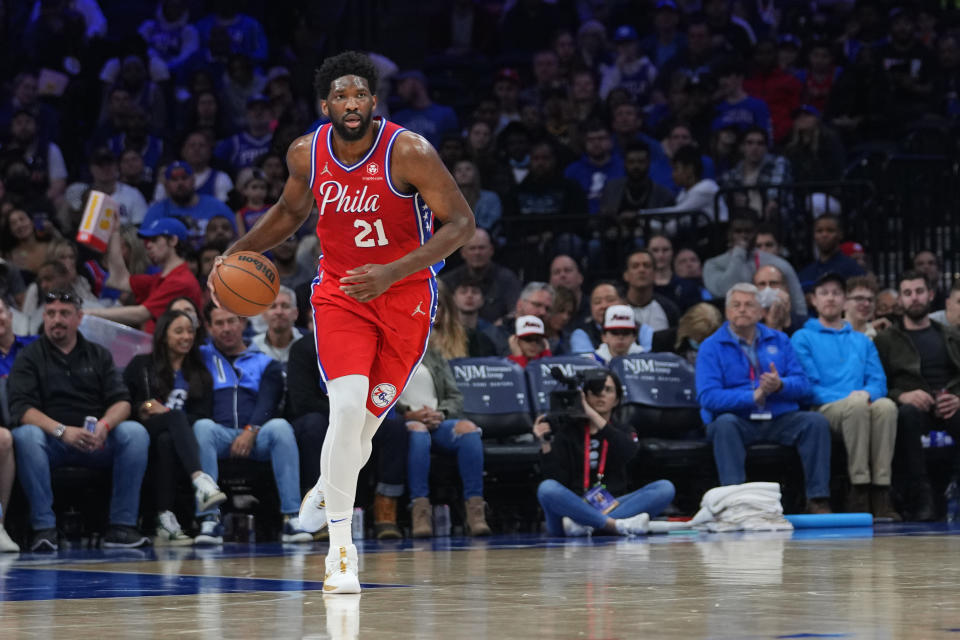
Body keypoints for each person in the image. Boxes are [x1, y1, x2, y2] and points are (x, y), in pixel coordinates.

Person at [207, 51, 475, 593]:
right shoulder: (307, 152)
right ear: (324, 103)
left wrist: (391, 272)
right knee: (347, 409)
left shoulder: (410, 151)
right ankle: (340, 551)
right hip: (341, 296)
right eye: (340, 96)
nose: (350, 104)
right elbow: (288, 212)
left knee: (364, 432)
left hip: (405, 298)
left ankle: (328, 488)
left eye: (359, 95)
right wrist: (234, 251)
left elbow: (462, 223)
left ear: (373, 102)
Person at [8, 288, 151, 550]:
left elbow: (122, 402)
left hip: (95, 441)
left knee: (135, 433)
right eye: (50, 314)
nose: (56, 320)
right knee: (26, 435)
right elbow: (21, 409)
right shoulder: (29, 356)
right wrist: (63, 431)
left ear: (79, 317)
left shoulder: (99, 355)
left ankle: (121, 526)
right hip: (52, 442)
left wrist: (105, 426)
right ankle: (44, 529)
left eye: (64, 313)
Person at [696, 283, 832, 514]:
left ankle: (817, 499)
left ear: (761, 312)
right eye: (736, 305)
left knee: (814, 422)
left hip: (779, 417)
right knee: (724, 425)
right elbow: (708, 397)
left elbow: (803, 385)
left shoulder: (780, 340)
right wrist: (752, 396)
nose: (742, 310)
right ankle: (734, 501)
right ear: (727, 312)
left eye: (749, 304)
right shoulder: (711, 347)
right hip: (738, 421)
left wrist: (780, 386)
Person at [194, 303, 312, 544]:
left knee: (280, 427)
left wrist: (251, 431)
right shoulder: (201, 358)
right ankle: (210, 520)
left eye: (232, 321)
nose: (226, 328)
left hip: (257, 437)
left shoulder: (263, 361)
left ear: (243, 324)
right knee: (202, 428)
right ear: (209, 327)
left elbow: (269, 401)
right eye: (219, 323)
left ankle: (292, 518)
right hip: (221, 434)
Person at [791, 273, 900, 518]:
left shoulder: (861, 340)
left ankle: (881, 489)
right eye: (824, 293)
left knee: (886, 407)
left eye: (836, 293)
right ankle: (859, 488)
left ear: (844, 301)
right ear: (814, 301)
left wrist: (866, 394)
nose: (830, 298)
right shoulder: (802, 337)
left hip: (860, 403)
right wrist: (853, 397)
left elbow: (878, 381)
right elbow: (808, 387)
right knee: (858, 407)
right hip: (825, 407)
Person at [123, 310, 227, 544]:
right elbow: (125, 401)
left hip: (178, 437)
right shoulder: (141, 365)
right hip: (143, 430)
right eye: (178, 331)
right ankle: (201, 480)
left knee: (168, 438)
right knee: (172, 422)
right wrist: (148, 405)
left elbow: (201, 416)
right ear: (163, 336)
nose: (186, 336)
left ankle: (165, 517)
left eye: (190, 331)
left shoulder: (199, 373)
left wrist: (168, 413)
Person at [534, 370, 676, 537]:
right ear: (584, 396)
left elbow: (628, 452)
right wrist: (545, 443)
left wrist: (591, 414)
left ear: (616, 399)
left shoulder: (623, 430)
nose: (601, 394)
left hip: (612, 505)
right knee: (546, 488)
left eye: (608, 390)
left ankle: (589, 526)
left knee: (665, 488)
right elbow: (557, 480)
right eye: (595, 390)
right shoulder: (567, 431)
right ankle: (610, 525)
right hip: (573, 508)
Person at [875, 271, 960, 521]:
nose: (914, 298)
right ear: (900, 300)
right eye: (908, 293)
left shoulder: (950, 335)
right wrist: (902, 396)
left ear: (931, 295)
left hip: (948, 404)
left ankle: (955, 488)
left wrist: (958, 397)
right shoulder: (886, 340)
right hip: (912, 408)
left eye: (919, 292)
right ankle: (922, 496)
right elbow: (879, 382)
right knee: (908, 415)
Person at [400, 317, 491, 538]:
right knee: (418, 434)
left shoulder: (434, 357)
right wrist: (408, 414)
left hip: (438, 420)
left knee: (468, 430)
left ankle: (475, 511)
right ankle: (419, 510)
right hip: (404, 421)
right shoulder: (384, 358)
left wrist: (441, 413)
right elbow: (378, 397)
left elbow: (455, 397)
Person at [84, 218, 202, 333]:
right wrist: (115, 232)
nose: (148, 246)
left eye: (154, 240)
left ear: (173, 241)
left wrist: (88, 312)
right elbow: (118, 280)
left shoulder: (180, 280)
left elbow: (141, 314)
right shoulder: (162, 278)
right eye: (147, 241)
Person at [703, 212, 807, 315]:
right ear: (729, 234)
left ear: (756, 234)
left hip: (770, 322)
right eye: (738, 231)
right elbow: (724, 290)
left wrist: (801, 320)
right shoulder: (713, 264)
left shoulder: (776, 262)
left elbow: (796, 297)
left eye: (748, 231)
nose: (743, 235)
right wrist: (739, 252)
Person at [442, 228, 522, 324]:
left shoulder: (507, 279)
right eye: (472, 248)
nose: (477, 253)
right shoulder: (448, 280)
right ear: (463, 253)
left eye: (481, 248)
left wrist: (501, 325)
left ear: (491, 250)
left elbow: (517, 311)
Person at [798, 215, 865, 287]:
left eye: (830, 230)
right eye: (819, 231)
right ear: (814, 235)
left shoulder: (852, 269)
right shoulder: (805, 273)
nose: (824, 234)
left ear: (840, 234)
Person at [622, 249, 680, 331]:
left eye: (647, 266)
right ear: (626, 275)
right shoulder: (617, 309)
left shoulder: (669, 309)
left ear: (655, 274)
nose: (641, 270)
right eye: (635, 266)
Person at [250, 286, 302, 364]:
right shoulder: (253, 347)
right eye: (273, 307)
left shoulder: (308, 345)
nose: (279, 312)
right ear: (263, 314)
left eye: (285, 306)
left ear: (295, 313)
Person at [753, 264, 804, 336]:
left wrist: (786, 320)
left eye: (773, 283)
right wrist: (771, 324)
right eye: (762, 284)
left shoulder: (803, 323)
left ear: (785, 288)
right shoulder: (749, 323)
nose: (768, 289)